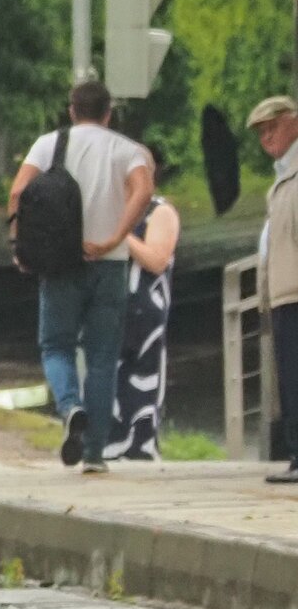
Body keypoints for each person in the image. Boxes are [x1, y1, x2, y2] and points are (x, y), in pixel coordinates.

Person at [8, 79, 154, 471]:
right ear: (109, 113)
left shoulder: (48, 145)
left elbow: (18, 193)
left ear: (72, 110)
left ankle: (71, 407)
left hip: (60, 263)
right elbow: (143, 190)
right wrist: (116, 237)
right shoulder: (128, 150)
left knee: (56, 346)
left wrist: (20, 245)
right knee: (103, 359)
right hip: (110, 266)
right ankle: (94, 456)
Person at [105, 175, 178, 464]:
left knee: (141, 385)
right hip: (106, 311)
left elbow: (156, 259)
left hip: (144, 314)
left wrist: (120, 234)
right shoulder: (104, 214)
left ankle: (140, 449)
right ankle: (105, 448)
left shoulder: (160, 212)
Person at [251, 98, 298, 485]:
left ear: (293, 123)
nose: (267, 137)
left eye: (273, 127)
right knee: (289, 377)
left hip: (295, 292)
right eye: (261, 132)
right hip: (284, 292)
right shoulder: (282, 177)